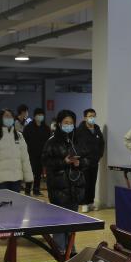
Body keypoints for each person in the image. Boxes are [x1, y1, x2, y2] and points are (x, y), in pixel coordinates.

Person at [43, 110, 88, 251]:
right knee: (59, 223)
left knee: (71, 224)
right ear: (59, 124)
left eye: (71, 123)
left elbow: (87, 159)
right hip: (59, 189)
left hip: (75, 188)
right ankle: (60, 251)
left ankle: (70, 251)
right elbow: (46, 161)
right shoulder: (51, 142)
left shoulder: (77, 140)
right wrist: (64, 162)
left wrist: (80, 163)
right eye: (66, 123)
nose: (69, 125)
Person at [0, 108, 33, 192]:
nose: (9, 119)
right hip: (0, 182)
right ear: (1, 119)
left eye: (11, 117)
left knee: (15, 200)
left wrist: (28, 177)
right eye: (6, 116)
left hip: (16, 180)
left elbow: (25, 158)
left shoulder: (19, 136)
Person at [77, 108, 105, 210]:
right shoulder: (80, 130)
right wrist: (81, 157)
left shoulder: (97, 129)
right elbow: (77, 145)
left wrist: (100, 155)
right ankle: (84, 203)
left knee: (93, 182)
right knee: (85, 183)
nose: (92, 118)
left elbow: (102, 143)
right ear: (85, 118)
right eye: (90, 116)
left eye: (93, 116)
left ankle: (91, 202)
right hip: (84, 161)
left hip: (94, 161)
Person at [23, 107, 50, 196]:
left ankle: (36, 190)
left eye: (42, 115)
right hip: (31, 153)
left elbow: (48, 141)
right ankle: (27, 189)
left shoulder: (46, 128)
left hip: (42, 154)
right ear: (34, 116)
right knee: (30, 172)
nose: (40, 116)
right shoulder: (28, 127)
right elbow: (25, 140)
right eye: (38, 115)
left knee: (38, 173)